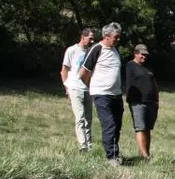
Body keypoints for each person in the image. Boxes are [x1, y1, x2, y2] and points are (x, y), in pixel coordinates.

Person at [79, 22, 124, 166]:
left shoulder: (115, 50)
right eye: (115, 37)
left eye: (118, 37)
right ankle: (111, 157)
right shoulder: (97, 49)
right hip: (101, 94)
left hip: (116, 94)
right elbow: (83, 72)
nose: (118, 40)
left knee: (117, 125)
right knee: (109, 124)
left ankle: (115, 153)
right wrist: (92, 86)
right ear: (106, 36)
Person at [60, 28, 95, 152]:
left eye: (93, 38)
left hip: (87, 89)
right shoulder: (72, 50)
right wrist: (67, 88)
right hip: (74, 88)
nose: (92, 41)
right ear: (83, 37)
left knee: (88, 119)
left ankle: (89, 146)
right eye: (90, 38)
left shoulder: (92, 52)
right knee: (79, 117)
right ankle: (83, 146)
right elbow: (64, 70)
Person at [125, 44, 158, 161]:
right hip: (137, 102)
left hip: (151, 102)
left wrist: (157, 100)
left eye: (146, 55)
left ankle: (145, 153)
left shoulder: (148, 68)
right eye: (142, 54)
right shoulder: (130, 66)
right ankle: (145, 156)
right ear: (136, 53)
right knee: (140, 128)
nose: (144, 57)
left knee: (148, 128)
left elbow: (154, 84)